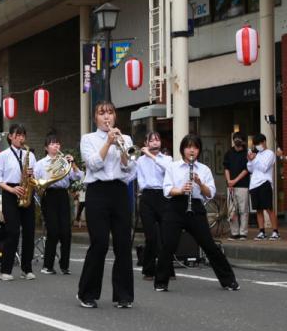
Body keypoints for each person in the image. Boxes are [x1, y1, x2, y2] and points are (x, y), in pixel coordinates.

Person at [154, 135, 239, 293]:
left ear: (198, 150)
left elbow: (210, 193)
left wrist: (200, 183)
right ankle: (161, 281)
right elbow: (167, 190)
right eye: (188, 147)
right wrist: (180, 190)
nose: (191, 150)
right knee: (169, 244)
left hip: (196, 206)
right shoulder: (173, 167)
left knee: (209, 244)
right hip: (176, 206)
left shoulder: (204, 169)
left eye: (195, 147)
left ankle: (229, 280)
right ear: (183, 149)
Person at [76, 101, 136, 308]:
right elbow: (93, 164)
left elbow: (129, 169)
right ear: (95, 118)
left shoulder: (126, 138)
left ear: (115, 117)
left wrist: (122, 151)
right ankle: (87, 293)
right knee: (99, 243)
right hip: (97, 192)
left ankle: (124, 295)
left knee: (123, 244)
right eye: (102, 114)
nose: (106, 117)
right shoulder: (88, 139)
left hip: (119, 191)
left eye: (110, 113)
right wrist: (108, 143)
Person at [0, 124, 37, 281]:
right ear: (10, 136)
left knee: (30, 231)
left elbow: (35, 177)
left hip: (26, 191)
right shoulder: (2, 156)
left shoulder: (30, 155)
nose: (21, 138)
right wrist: (11, 190)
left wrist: (31, 176)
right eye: (17, 135)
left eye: (23, 135)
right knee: (12, 232)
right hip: (10, 192)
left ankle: (27, 268)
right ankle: (5, 270)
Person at [35, 131, 81, 275]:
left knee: (66, 232)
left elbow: (78, 176)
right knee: (53, 231)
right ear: (46, 148)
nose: (56, 146)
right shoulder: (41, 164)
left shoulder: (65, 162)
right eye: (52, 143)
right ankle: (47, 265)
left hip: (63, 195)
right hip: (49, 195)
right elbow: (36, 182)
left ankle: (64, 265)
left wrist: (72, 164)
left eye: (57, 143)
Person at [135, 131, 171, 278]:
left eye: (157, 140)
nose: (155, 143)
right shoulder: (140, 161)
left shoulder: (167, 158)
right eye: (152, 141)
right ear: (146, 144)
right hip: (147, 196)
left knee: (166, 236)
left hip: (163, 196)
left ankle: (167, 269)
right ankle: (149, 269)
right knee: (150, 236)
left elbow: (168, 169)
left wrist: (151, 156)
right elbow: (140, 180)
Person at [247, 133, 279, 240]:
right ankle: (262, 232)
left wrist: (254, 159)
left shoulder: (270, 153)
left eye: (259, 143)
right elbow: (250, 169)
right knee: (258, 209)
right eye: (256, 144)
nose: (257, 146)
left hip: (265, 182)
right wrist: (250, 160)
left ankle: (275, 232)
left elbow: (264, 168)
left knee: (269, 208)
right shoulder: (257, 154)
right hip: (254, 184)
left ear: (264, 142)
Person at [222, 134, 250, 240]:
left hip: (243, 185)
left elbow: (246, 169)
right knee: (232, 210)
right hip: (230, 186)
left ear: (243, 141)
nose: (236, 141)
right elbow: (226, 168)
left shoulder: (247, 153)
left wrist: (234, 181)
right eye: (235, 139)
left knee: (243, 210)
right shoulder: (229, 153)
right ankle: (234, 232)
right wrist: (229, 181)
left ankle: (243, 233)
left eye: (239, 139)